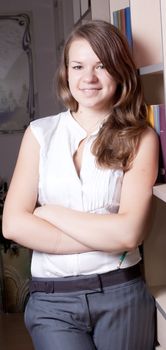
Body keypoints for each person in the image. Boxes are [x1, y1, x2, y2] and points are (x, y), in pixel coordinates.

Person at [2, 20, 159, 350]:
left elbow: (129, 234)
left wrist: (50, 213)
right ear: (66, 73)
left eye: (102, 65)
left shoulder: (142, 137)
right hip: (52, 302)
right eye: (78, 66)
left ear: (120, 71)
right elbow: (13, 223)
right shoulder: (39, 134)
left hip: (122, 295)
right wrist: (106, 237)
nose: (88, 78)